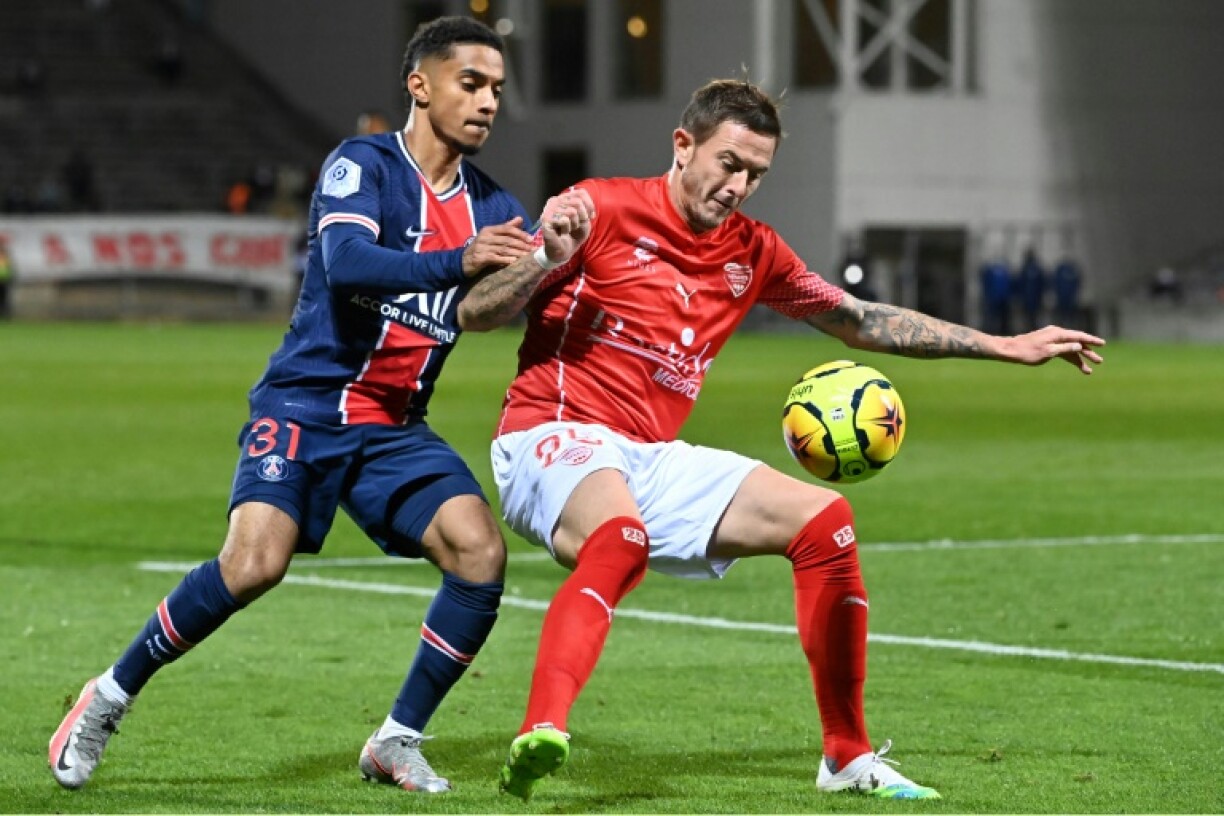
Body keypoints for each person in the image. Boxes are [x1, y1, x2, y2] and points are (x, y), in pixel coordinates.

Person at [488, 79, 1105, 802]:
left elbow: (860, 321)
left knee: (826, 525)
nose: (738, 185)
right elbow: (480, 311)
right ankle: (543, 729)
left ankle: (847, 756)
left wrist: (1004, 346)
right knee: (621, 539)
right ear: (682, 145)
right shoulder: (601, 206)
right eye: (728, 162)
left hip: (645, 456)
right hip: (550, 435)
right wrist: (539, 259)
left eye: (755, 173)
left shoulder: (754, 252)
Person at [49, 16, 595, 795]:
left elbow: (482, 311)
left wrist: (544, 257)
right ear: (421, 84)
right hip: (307, 404)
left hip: (394, 424)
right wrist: (458, 259)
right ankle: (107, 696)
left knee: (480, 553)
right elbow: (344, 263)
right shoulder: (362, 163)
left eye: (497, 90)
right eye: (470, 83)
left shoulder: (494, 204)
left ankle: (395, 740)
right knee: (252, 565)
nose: (487, 103)